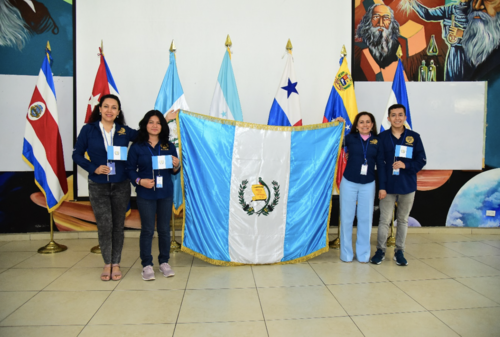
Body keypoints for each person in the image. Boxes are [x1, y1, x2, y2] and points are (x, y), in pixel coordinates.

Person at [73, 94, 137, 281]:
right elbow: (77, 155)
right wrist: (93, 167)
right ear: (99, 109)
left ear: (118, 112)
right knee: (104, 225)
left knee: (118, 225)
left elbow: (146, 133)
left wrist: (164, 120)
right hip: (98, 185)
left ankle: (116, 263)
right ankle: (107, 263)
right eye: (106, 106)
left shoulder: (124, 130)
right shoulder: (89, 130)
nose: (110, 110)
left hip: (121, 185)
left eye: (114, 107)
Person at [126, 110, 180, 281]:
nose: (154, 125)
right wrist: (139, 181)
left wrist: (177, 165)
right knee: (148, 230)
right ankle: (147, 265)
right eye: (151, 122)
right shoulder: (137, 146)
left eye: (158, 123)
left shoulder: (168, 145)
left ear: (162, 126)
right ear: (145, 125)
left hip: (165, 193)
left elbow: (174, 170)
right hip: (145, 194)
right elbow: (129, 169)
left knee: (164, 230)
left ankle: (164, 262)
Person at [371, 104, 426, 266]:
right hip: (387, 186)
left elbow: (421, 160)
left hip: (407, 185)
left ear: (405, 117)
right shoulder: (381, 138)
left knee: (402, 220)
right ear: (388, 119)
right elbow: (379, 164)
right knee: (384, 220)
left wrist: (406, 166)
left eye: (400, 115)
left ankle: (399, 251)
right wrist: (381, 186)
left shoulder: (414, 137)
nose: (397, 118)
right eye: (393, 115)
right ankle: (380, 250)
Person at [339, 112, 384, 263]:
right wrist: (336, 124)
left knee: (365, 218)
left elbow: (382, 166)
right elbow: (332, 141)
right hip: (349, 182)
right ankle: (346, 254)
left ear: (372, 124)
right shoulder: (349, 138)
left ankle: (363, 254)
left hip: (368, 184)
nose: (365, 125)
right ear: (356, 126)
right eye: (361, 122)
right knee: (346, 218)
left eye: (368, 122)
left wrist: (382, 187)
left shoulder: (378, 141)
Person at [356, 4, 401, 69]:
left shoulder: (397, 47)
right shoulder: (359, 48)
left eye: (386, 18)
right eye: (376, 17)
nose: (380, 23)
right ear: (369, 21)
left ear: (391, 22)